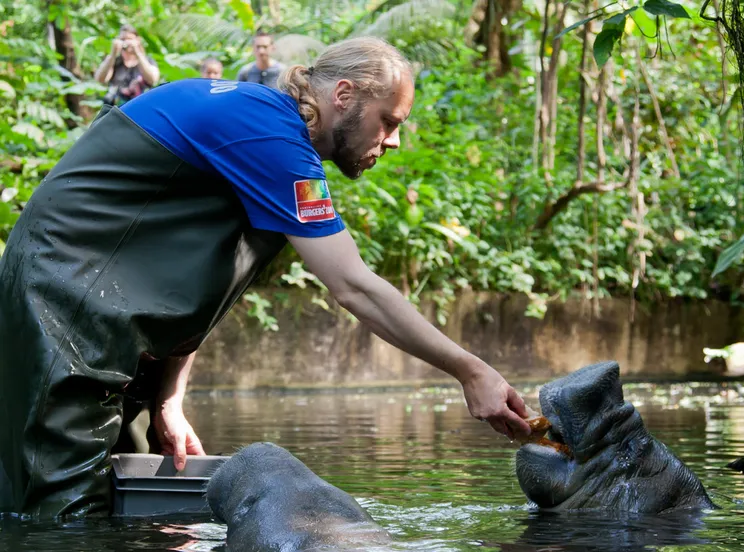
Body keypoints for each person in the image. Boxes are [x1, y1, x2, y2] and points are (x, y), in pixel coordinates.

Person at [0, 37, 531, 520]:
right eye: (388, 121)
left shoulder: (267, 135)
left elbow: (203, 285)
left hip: (107, 323)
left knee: (132, 503)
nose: (392, 141)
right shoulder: (268, 133)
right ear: (342, 95)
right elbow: (354, 286)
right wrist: (469, 370)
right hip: (61, 309)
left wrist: (169, 398)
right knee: (62, 516)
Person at [94, 24, 160, 106]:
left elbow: (153, 79)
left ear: (137, 40)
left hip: (140, 107)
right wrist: (113, 54)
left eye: (129, 39)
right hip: (116, 108)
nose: (126, 42)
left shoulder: (148, 61)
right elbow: (100, 79)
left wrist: (137, 52)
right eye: (122, 39)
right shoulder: (114, 61)